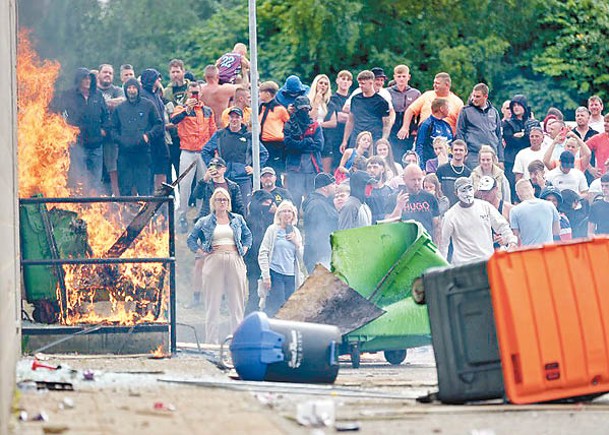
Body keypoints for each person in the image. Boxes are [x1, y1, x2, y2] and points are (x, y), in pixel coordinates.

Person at [187, 187, 252, 344]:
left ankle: (237, 340)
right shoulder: (205, 221)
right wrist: (201, 252)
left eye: (224, 200)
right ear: (213, 202)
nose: (222, 202)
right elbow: (191, 239)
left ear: (228, 202)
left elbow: (248, 235)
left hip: (234, 258)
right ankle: (212, 341)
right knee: (212, 303)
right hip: (214, 258)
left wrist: (244, 247)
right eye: (218, 199)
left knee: (236, 303)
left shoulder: (237, 219)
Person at [51, 67, 110, 195]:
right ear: (79, 80)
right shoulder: (69, 95)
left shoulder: (97, 95)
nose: (88, 81)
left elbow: (105, 115)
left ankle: (95, 206)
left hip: (96, 144)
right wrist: (64, 129)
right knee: (79, 178)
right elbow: (57, 112)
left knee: (95, 179)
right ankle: (81, 206)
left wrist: (104, 130)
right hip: (77, 144)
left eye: (89, 78)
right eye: (85, 78)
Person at [171, 82, 217, 232]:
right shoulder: (181, 108)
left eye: (197, 93)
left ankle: (201, 216)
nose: (194, 96)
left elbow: (213, 132)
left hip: (203, 153)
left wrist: (214, 152)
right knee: (184, 186)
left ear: (201, 93)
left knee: (203, 184)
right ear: (187, 93)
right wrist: (187, 109)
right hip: (187, 151)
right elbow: (174, 120)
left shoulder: (208, 111)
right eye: (192, 93)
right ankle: (182, 216)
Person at [440, 177, 517, 265]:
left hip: (487, 260)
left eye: (469, 189)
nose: (467, 193)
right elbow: (443, 243)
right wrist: (443, 264)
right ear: (456, 193)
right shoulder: (450, 215)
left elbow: (502, 226)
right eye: (463, 190)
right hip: (463, 264)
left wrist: (511, 240)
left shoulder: (485, 207)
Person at [202, 107, 268, 205]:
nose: (234, 119)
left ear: (242, 119)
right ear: (228, 118)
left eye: (237, 117)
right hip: (224, 179)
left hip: (243, 179)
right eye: (232, 117)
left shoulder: (249, 136)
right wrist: (213, 167)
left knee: (244, 209)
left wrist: (255, 168)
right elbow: (205, 151)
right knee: (222, 207)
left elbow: (264, 153)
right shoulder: (220, 134)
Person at [111, 78, 163, 196]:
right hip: (124, 153)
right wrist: (120, 140)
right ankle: (125, 214)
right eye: (129, 88)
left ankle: (147, 213)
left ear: (138, 89)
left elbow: (158, 124)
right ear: (125, 90)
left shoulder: (148, 105)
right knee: (125, 188)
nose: (131, 90)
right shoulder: (119, 108)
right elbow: (112, 129)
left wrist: (148, 136)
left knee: (144, 188)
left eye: (134, 87)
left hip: (143, 152)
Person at [258, 201, 306, 315]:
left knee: (290, 307)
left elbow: (301, 258)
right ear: (279, 214)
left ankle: (287, 331)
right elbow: (263, 253)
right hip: (275, 273)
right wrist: (266, 276)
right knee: (278, 305)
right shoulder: (272, 230)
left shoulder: (296, 232)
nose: (287, 214)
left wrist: (296, 243)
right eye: (284, 211)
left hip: (291, 275)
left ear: (293, 215)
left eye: (289, 211)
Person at [283, 96, 324, 208]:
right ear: (296, 109)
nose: (304, 112)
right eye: (302, 109)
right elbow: (288, 144)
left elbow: (319, 145)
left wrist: (299, 145)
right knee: (294, 198)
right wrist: (306, 142)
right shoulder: (289, 125)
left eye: (306, 109)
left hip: (312, 168)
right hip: (295, 168)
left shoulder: (315, 125)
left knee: (313, 198)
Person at [397, 72, 464, 139]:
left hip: (445, 140)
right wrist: (405, 127)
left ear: (447, 85)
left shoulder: (457, 102)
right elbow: (410, 110)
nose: (434, 85)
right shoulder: (427, 95)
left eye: (437, 83)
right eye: (434, 83)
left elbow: (461, 125)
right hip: (424, 137)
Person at [388, 164, 441, 242]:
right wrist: (398, 207)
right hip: (403, 245)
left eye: (419, 179)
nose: (417, 183)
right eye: (413, 180)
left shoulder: (430, 197)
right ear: (404, 179)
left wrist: (437, 247)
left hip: (425, 244)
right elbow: (386, 225)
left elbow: (437, 226)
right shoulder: (394, 198)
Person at [244, 189, 277, 314]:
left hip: (271, 262)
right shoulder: (251, 220)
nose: (270, 204)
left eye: (270, 201)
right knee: (254, 293)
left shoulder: (274, 219)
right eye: (265, 201)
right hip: (254, 263)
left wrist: (276, 212)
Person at [340, 70, 391, 151]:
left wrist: (383, 140)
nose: (360, 86)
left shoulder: (382, 102)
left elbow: (386, 124)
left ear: (371, 82)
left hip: (373, 138)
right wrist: (345, 140)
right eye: (359, 83)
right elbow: (350, 120)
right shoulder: (355, 99)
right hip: (356, 137)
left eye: (363, 83)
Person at [456, 83, 503, 167]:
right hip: (473, 155)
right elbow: (460, 133)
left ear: (485, 96)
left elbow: (499, 135)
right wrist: (463, 155)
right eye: (473, 96)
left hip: (492, 155)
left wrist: (501, 159)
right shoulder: (465, 111)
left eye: (477, 96)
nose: (474, 99)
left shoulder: (494, 112)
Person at [97, 64, 125, 196]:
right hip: (94, 138)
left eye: (110, 73)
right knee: (96, 172)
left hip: (112, 137)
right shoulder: (93, 90)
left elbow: (121, 101)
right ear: (99, 74)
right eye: (105, 72)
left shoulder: (117, 90)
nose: (107, 75)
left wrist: (100, 104)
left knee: (113, 170)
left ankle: (118, 201)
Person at [502, 94, 539, 196]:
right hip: (511, 159)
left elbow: (534, 139)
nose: (516, 107)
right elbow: (511, 140)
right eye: (514, 105)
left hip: (528, 158)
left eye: (519, 105)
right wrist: (525, 135)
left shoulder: (531, 122)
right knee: (513, 187)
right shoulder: (507, 123)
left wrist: (522, 135)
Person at [140, 68, 170, 189]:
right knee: (149, 171)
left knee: (162, 167)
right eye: (157, 77)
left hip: (160, 138)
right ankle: (149, 199)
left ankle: (159, 197)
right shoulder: (143, 95)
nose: (159, 80)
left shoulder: (156, 95)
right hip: (149, 138)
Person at [302, 173, 338, 272]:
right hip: (319, 256)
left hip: (321, 255)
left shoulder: (323, 203)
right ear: (324, 188)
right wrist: (323, 257)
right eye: (333, 184)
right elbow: (318, 234)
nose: (336, 186)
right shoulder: (317, 205)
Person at [510, 179, 560, 246]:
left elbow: (515, 237)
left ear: (518, 194)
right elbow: (556, 231)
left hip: (529, 252)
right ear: (533, 190)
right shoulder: (550, 205)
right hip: (548, 251)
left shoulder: (515, 210)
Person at [164, 59, 192, 178]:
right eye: (173, 72)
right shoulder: (166, 92)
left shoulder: (191, 88)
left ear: (183, 71)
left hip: (190, 135)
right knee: (173, 169)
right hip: (174, 135)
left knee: (187, 173)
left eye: (177, 71)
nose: (175, 75)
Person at [258, 81, 290, 180]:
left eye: (261, 92)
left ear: (267, 93)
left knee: (275, 171)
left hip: (275, 144)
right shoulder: (261, 107)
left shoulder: (280, 109)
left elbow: (288, 124)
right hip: (263, 143)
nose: (259, 94)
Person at [387, 64, 421, 158]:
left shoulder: (415, 93)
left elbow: (419, 114)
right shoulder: (387, 92)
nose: (401, 79)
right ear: (394, 77)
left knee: (407, 153)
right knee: (393, 153)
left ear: (408, 77)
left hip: (409, 127)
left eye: (404, 76)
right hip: (392, 126)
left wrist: (415, 129)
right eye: (399, 76)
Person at [323, 70, 353, 172]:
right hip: (334, 137)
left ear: (351, 83)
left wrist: (348, 117)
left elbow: (355, 118)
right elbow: (339, 118)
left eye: (348, 79)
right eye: (343, 79)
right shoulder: (331, 99)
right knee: (334, 165)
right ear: (337, 80)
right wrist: (350, 116)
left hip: (349, 137)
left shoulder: (353, 99)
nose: (345, 82)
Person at [415, 98, 453, 168]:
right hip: (431, 166)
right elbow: (419, 146)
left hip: (447, 165)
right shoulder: (427, 124)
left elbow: (451, 146)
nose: (450, 110)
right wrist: (421, 167)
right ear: (441, 108)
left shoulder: (447, 125)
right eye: (448, 107)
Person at [436, 139, 472, 205]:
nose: (458, 152)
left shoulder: (468, 173)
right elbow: (438, 191)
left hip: (462, 209)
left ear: (466, 152)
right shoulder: (441, 170)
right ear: (451, 151)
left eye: (461, 150)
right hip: (445, 209)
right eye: (456, 150)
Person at [365, 156, 396, 223]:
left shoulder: (391, 191)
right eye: (369, 167)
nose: (372, 170)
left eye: (375, 167)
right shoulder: (363, 193)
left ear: (382, 169)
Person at [586, 113, 609, 178]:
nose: (605, 124)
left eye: (608, 122)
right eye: (605, 121)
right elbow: (581, 151)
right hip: (601, 181)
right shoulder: (598, 138)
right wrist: (590, 169)